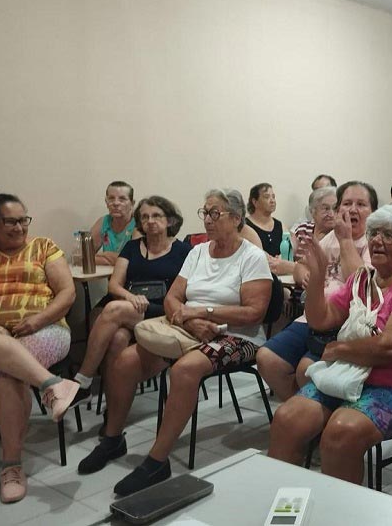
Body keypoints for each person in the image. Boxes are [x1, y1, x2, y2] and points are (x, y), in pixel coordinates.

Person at [77, 188, 272, 496]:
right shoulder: (197, 252)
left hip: (236, 335)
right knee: (125, 361)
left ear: (236, 219)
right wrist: (192, 320)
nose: (207, 219)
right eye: (205, 212)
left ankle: (157, 460)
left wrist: (204, 311)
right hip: (188, 327)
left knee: (183, 371)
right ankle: (112, 438)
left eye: (214, 213)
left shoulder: (252, 256)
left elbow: (253, 312)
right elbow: (172, 297)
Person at [268, 204, 392, 486]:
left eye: (389, 234)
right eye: (374, 232)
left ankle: (342, 512)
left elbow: (391, 348)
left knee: (341, 431)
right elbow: (321, 319)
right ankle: (280, 505)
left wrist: (338, 350)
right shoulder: (362, 279)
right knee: (288, 418)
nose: (376, 240)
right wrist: (317, 276)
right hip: (347, 377)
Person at [0, 192, 77, 503]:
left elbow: (67, 294)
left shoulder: (43, 247)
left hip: (48, 331)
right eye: (9, 221)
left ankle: (11, 467)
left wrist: (37, 321)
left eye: (23, 220)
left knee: (8, 371)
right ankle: (53, 385)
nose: (19, 227)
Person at [257, 181, 376, 400]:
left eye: (361, 204)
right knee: (267, 358)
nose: (352, 209)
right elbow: (301, 264)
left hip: (345, 323)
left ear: (373, 212)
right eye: (346, 203)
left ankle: (310, 417)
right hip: (310, 317)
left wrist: (347, 240)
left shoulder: (374, 242)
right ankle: (302, 412)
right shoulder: (328, 238)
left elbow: (361, 285)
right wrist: (302, 274)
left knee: (306, 371)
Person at [70, 196, 191, 406]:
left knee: (114, 308)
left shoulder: (184, 251)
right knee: (117, 338)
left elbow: (189, 291)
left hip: (163, 309)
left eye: (156, 215)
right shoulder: (132, 247)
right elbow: (115, 285)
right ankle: (114, 404)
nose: (150, 221)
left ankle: (83, 381)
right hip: (133, 306)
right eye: (144, 217)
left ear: (170, 220)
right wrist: (131, 296)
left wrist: (127, 301)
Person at [90, 181, 141, 265]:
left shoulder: (138, 224)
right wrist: (116, 258)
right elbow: (82, 257)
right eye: (111, 198)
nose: (116, 203)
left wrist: (104, 255)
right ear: (106, 202)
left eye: (122, 199)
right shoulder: (103, 222)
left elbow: (135, 260)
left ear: (132, 203)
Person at [291, 186, 338, 263]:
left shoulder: (340, 235)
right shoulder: (303, 230)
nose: (332, 214)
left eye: (335, 208)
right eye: (326, 209)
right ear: (312, 212)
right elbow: (286, 254)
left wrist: (290, 267)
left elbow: (325, 269)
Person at [246, 183, 286, 257]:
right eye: (267, 197)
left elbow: (289, 249)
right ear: (255, 202)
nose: (272, 201)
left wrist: (282, 258)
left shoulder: (280, 225)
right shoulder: (245, 226)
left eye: (273, 197)